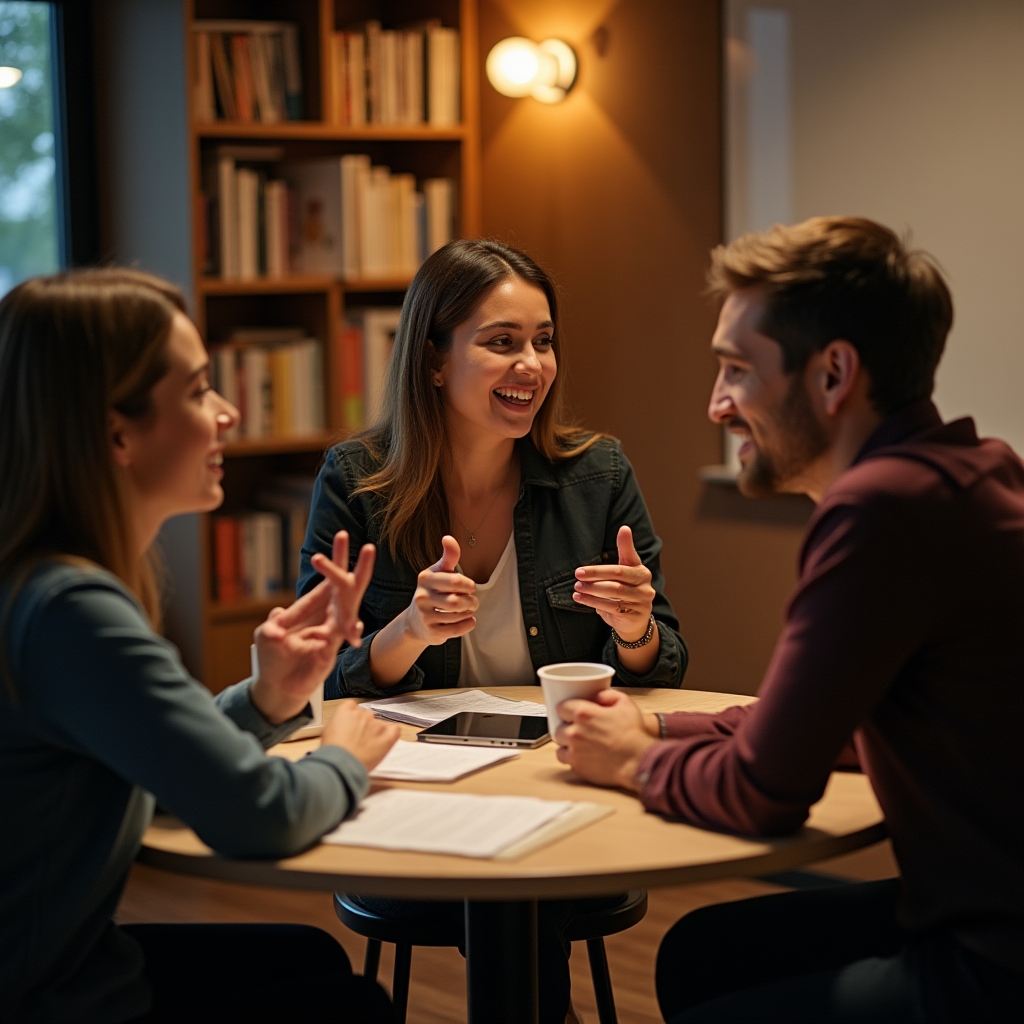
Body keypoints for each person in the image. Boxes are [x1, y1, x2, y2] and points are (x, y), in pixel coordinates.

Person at [555, 217, 1024, 1022]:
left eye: (737, 370)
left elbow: (762, 793)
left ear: (834, 373)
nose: (716, 405)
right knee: (709, 953)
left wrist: (633, 761)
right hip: (981, 911)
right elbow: (826, 725)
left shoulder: (881, 511)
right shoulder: (974, 471)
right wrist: (663, 729)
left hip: (993, 963)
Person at [297, 238, 689, 1023]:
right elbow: (314, 683)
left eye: (543, 341)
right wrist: (409, 630)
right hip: (412, 804)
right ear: (434, 360)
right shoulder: (357, 481)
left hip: (562, 793)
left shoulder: (598, 474)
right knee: (519, 886)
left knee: (531, 878)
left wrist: (636, 628)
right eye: (502, 342)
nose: (531, 365)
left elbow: (662, 668)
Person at [0, 269, 400, 1023]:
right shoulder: (71, 612)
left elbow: (160, 767)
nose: (229, 411)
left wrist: (269, 698)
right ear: (117, 433)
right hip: (48, 1002)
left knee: (307, 959)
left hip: (63, 968)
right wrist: (344, 757)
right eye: (197, 390)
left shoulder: (39, 588)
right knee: (349, 1006)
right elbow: (259, 813)